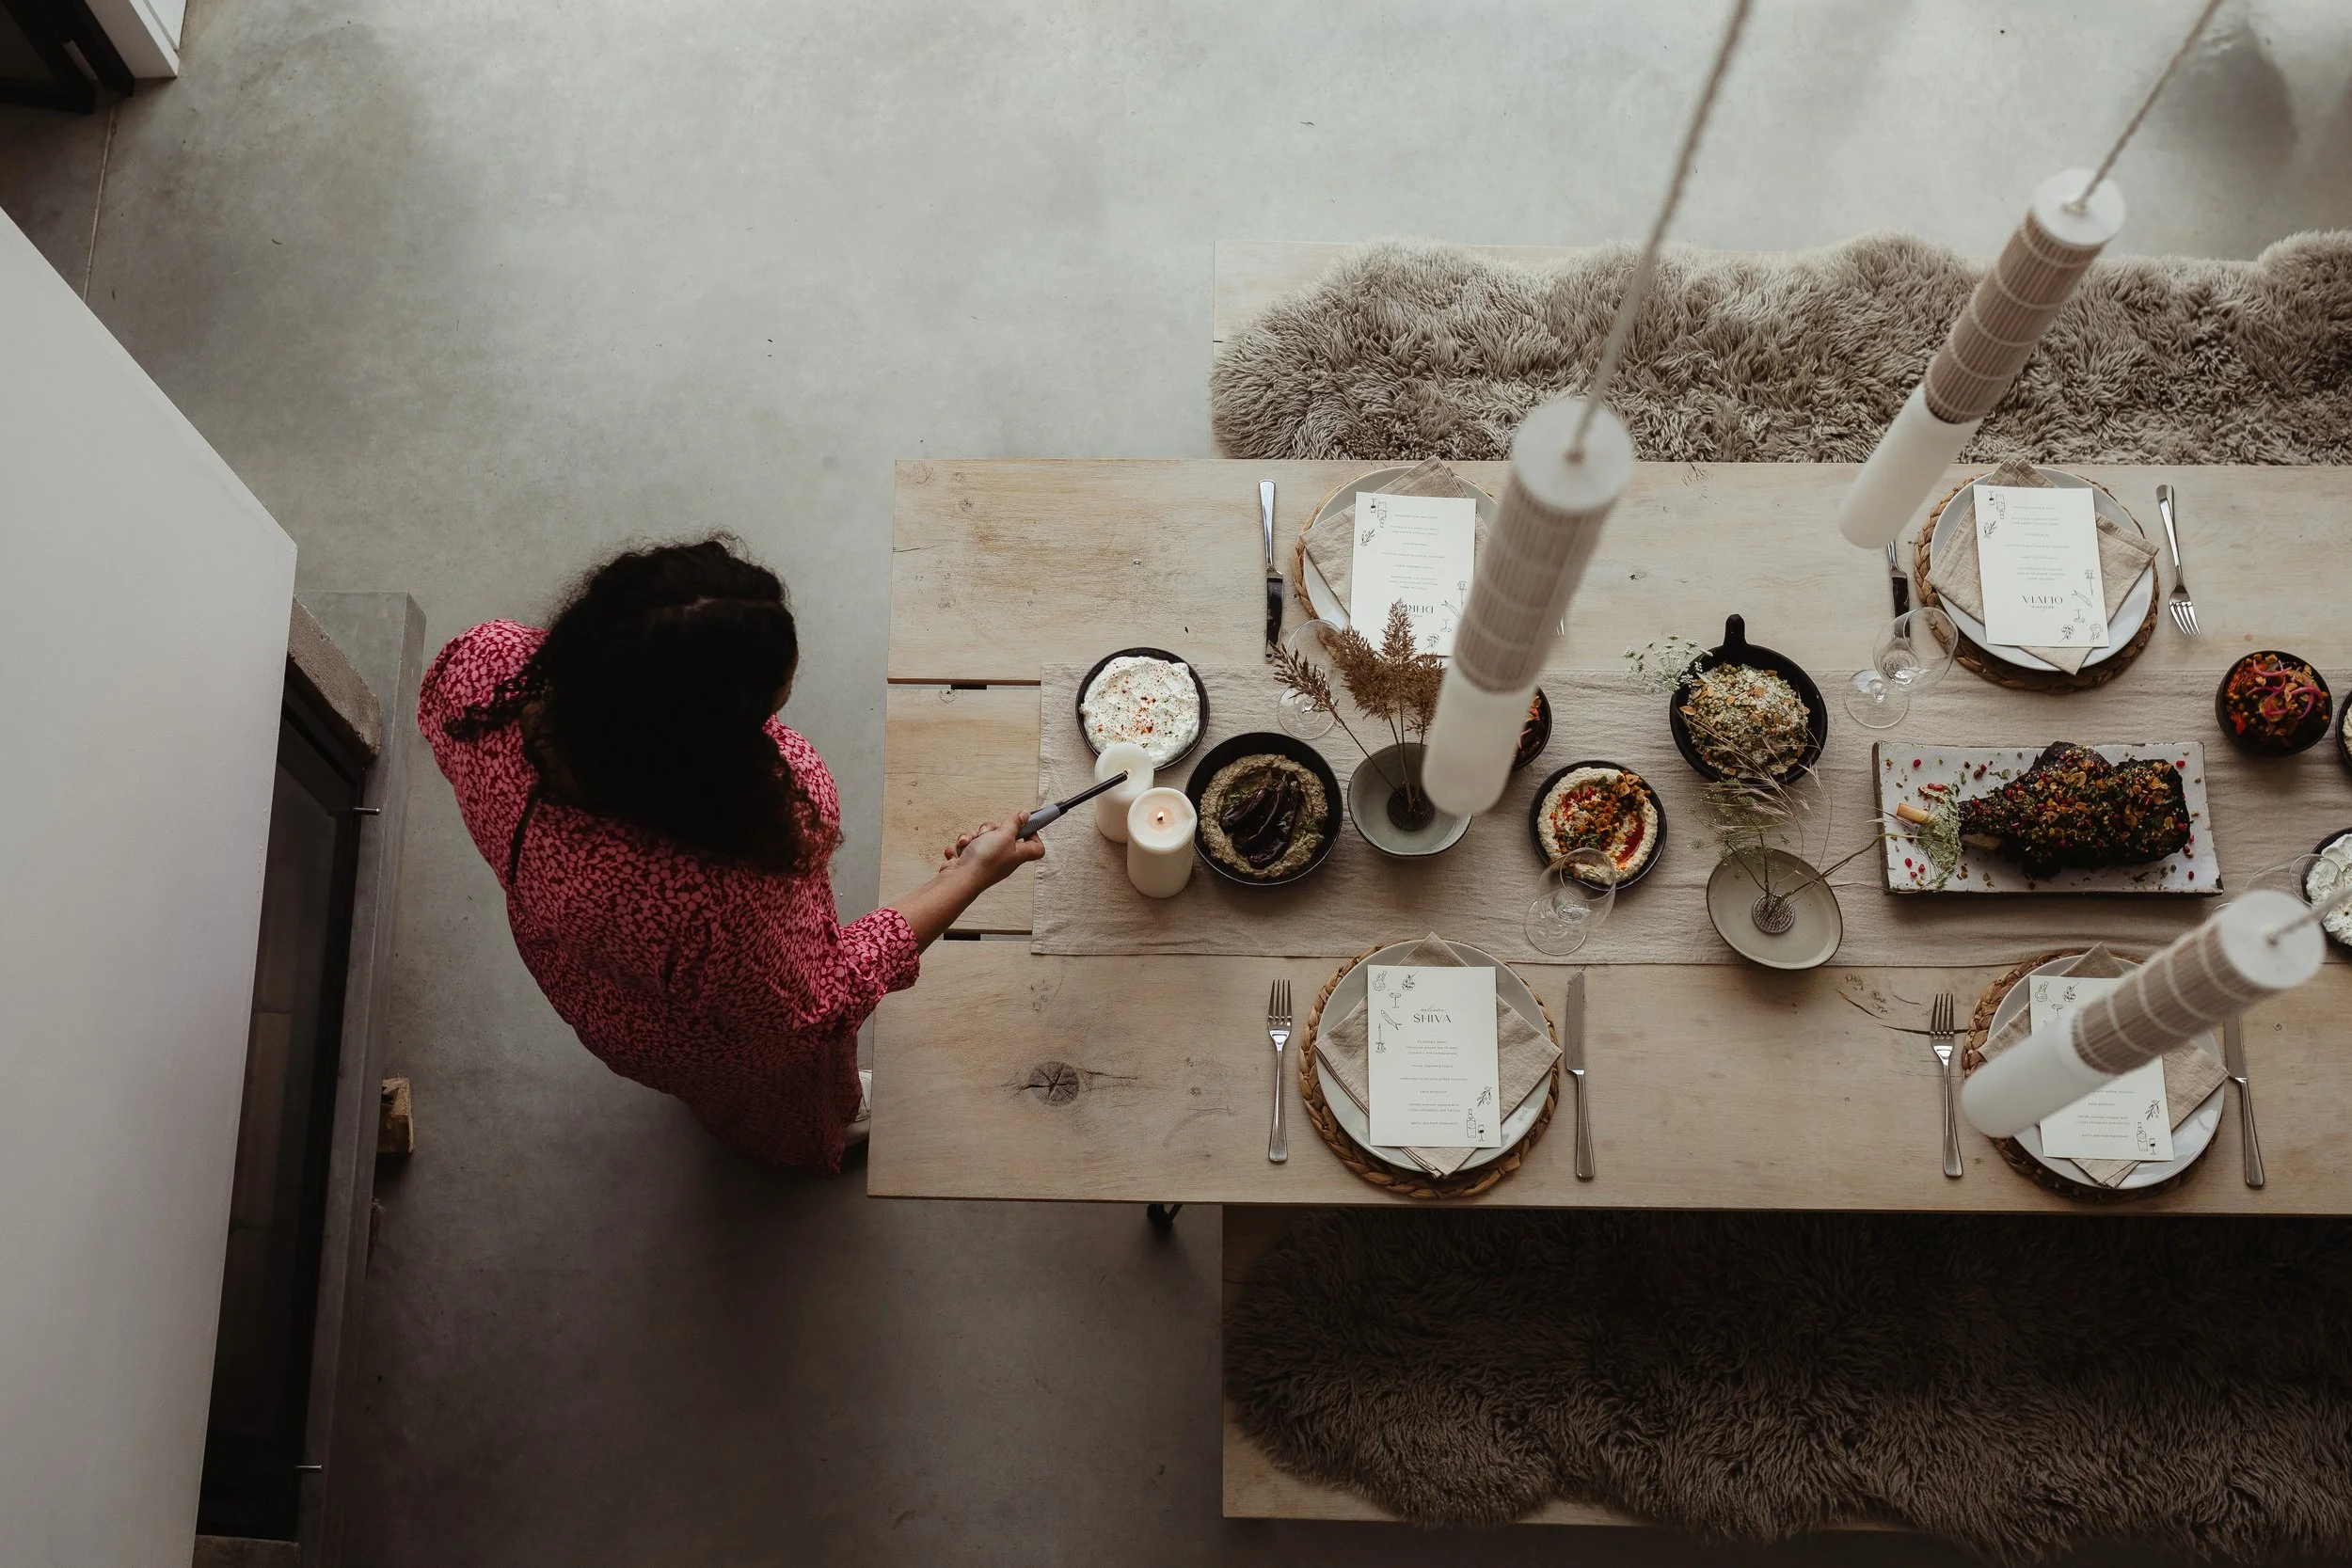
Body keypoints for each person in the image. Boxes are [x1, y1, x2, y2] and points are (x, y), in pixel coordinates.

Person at [418, 537, 1041, 1172]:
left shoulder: (486, 667)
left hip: (585, 978)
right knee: (776, 1098)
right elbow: (812, 1004)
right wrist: (970, 875)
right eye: (765, 708)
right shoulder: (722, 887)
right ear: (696, 745)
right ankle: (811, 1136)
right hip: (710, 1040)